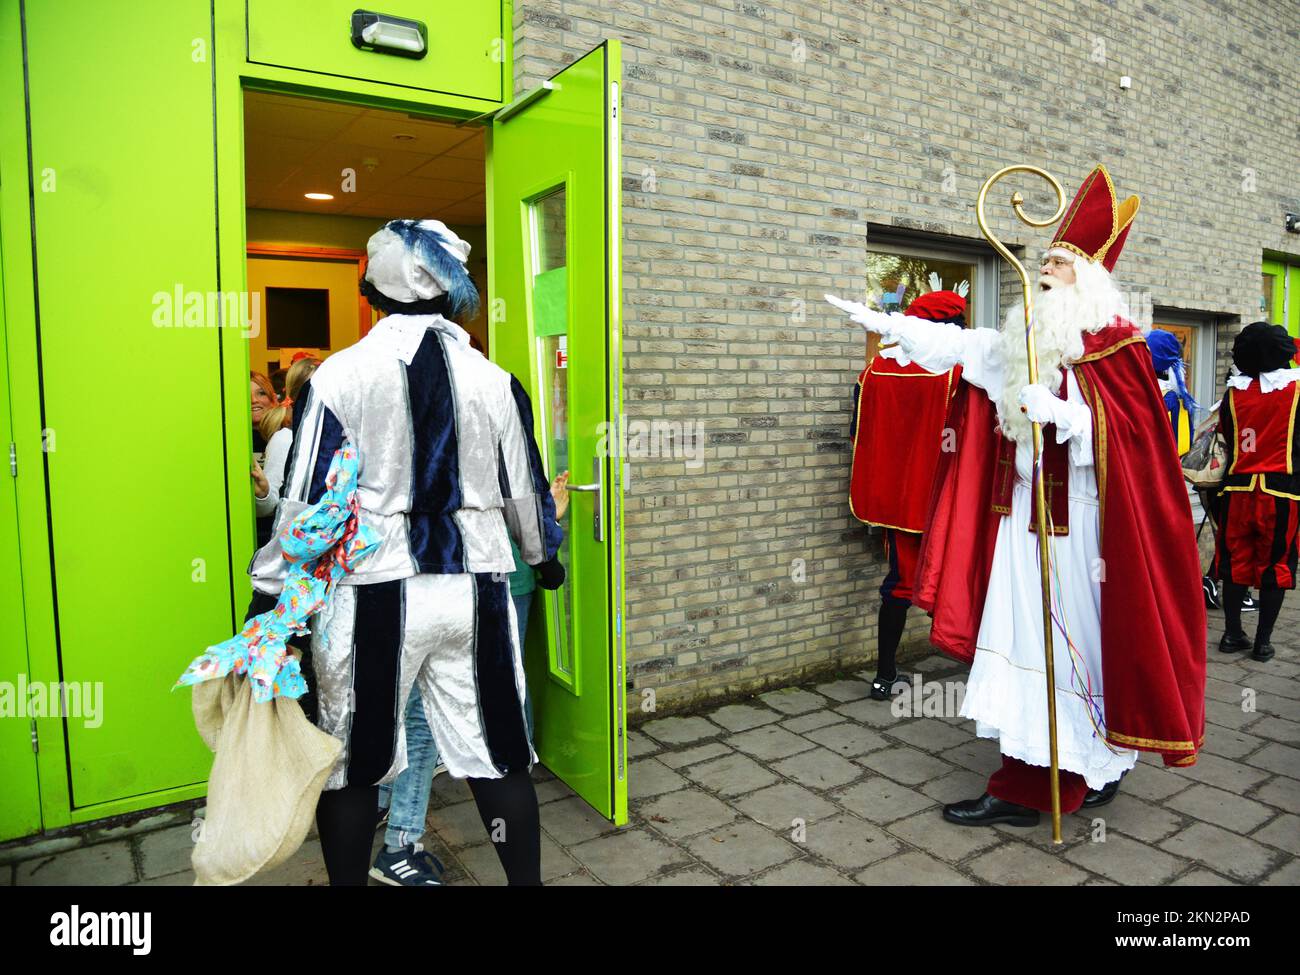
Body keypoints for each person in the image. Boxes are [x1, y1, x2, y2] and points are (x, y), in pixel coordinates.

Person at [827, 164, 1206, 827]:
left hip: (1079, 531)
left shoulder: (1115, 345)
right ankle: (1050, 771)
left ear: (1089, 280)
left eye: (1061, 264)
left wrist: (1070, 420)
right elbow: (975, 349)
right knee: (1024, 641)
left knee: (1071, 647)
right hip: (1022, 521)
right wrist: (895, 326)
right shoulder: (1034, 334)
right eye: (1049, 261)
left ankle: (1065, 775)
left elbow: (1136, 442)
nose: (1048, 272)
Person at [248, 217, 564, 885]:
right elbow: (525, 495)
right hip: (475, 590)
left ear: (369, 292)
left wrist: (269, 598)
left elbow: (304, 505)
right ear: (453, 293)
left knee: (354, 761)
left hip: (373, 591)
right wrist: (544, 559)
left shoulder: (339, 378)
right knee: (497, 754)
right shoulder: (497, 380)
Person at [371, 471, 570, 886]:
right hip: (477, 585)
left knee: (445, 713)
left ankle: (398, 830)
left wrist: (547, 518)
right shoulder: (484, 426)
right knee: (450, 718)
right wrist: (548, 527)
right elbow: (518, 514)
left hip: (479, 582)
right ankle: (399, 841)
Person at [848, 285, 968, 700]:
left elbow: (856, 434)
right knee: (967, 577)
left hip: (896, 500)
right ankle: (978, 666)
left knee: (900, 583)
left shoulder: (876, 370)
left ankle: (884, 676)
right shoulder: (959, 370)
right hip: (950, 498)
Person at [1214, 321, 1300, 662]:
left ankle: (1232, 633)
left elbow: (1226, 435)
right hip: (1281, 493)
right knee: (1275, 564)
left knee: (1235, 561)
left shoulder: (1233, 394)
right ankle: (1263, 642)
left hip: (1236, 490)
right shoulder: (1295, 392)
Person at [251, 356, 321, 548]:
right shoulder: (284, 438)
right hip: (297, 543)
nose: (253, 400)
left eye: (261, 393)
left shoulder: (337, 432)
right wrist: (263, 492)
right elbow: (270, 504)